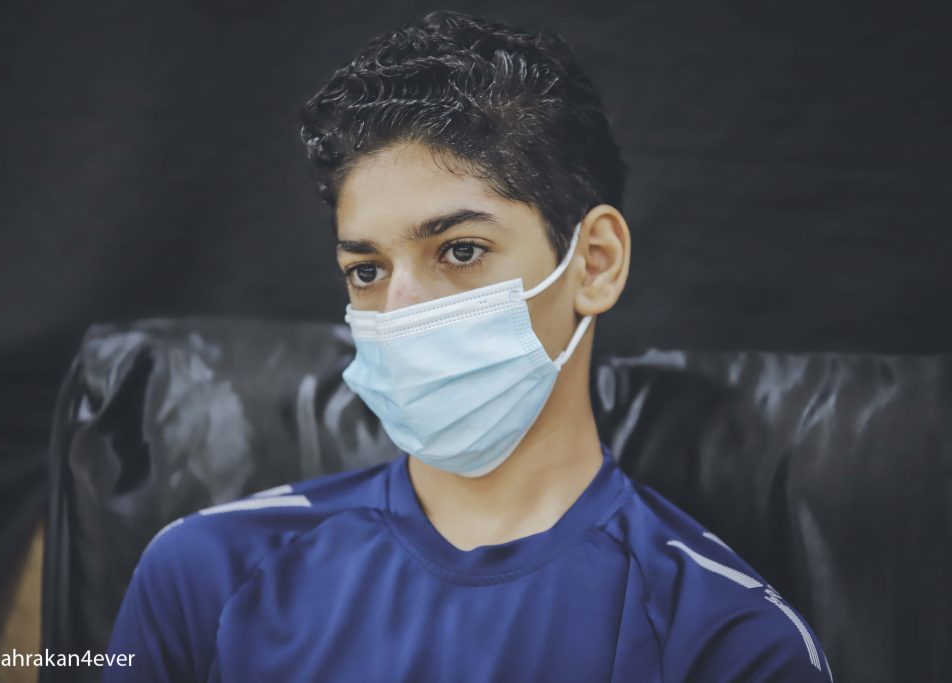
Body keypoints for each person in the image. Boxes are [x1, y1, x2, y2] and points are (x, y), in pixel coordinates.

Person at [103, 10, 832, 682]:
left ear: (594, 262)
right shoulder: (206, 575)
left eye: (459, 251)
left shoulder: (726, 644)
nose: (401, 310)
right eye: (367, 270)